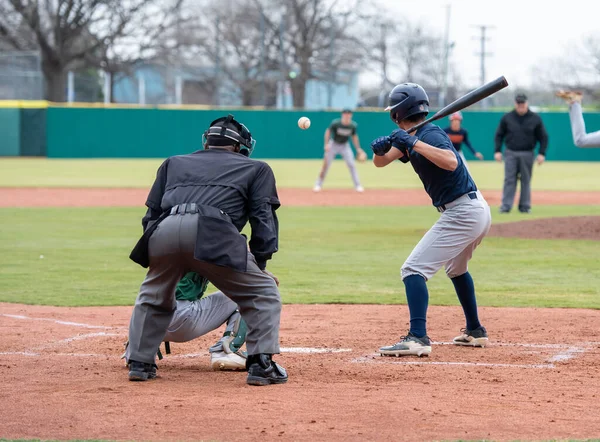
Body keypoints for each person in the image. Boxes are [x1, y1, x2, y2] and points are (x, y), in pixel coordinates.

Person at [127, 114, 287, 386]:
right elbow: (263, 220)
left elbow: (151, 215)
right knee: (263, 291)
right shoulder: (257, 168)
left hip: (164, 228)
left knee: (153, 294)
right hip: (214, 229)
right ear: (239, 147)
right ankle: (261, 365)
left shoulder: (173, 163)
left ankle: (139, 362)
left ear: (207, 140)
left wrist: (160, 257)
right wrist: (259, 263)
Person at [370, 83, 492, 357]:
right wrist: (381, 150)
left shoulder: (430, 134)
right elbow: (381, 163)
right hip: (473, 210)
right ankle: (475, 331)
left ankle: (417, 337)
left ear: (398, 112)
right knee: (456, 270)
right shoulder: (414, 136)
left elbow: (451, 162)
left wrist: (413, 142)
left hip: (463, 212)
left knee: (412, 269)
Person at [123, 272, 248, 371]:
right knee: (246, 293)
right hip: (181, 318)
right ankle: (225, 351)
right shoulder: (203, 248)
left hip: (147, 320)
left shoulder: (166, 245)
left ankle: (139, 350)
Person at [494, 93, 549, 214]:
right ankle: (506, 206)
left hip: (527, 153)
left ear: (526, 103)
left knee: (526, 180)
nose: (520, 105)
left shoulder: (535, 118)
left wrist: (542, 153)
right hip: (511, 152)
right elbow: (499, 135)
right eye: (518, 103)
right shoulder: (507, 117)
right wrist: (497, 151)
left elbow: (543, 137)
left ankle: (525, 206)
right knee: (509, 180)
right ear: (515, 103)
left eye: (522, 103)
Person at [313, 109, 367, 193]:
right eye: (345, 114)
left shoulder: (352, 126)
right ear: (342, 115)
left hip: (345, 146)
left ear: (351, 115)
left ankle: (358, 186)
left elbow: (354, 137)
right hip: (333, 144)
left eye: (349, 114)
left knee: (352, 165)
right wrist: (326, 144)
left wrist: (358, 148)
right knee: (325, 165)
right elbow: (328, 132)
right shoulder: (336, 123)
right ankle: (318, 184)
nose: (347, 115)